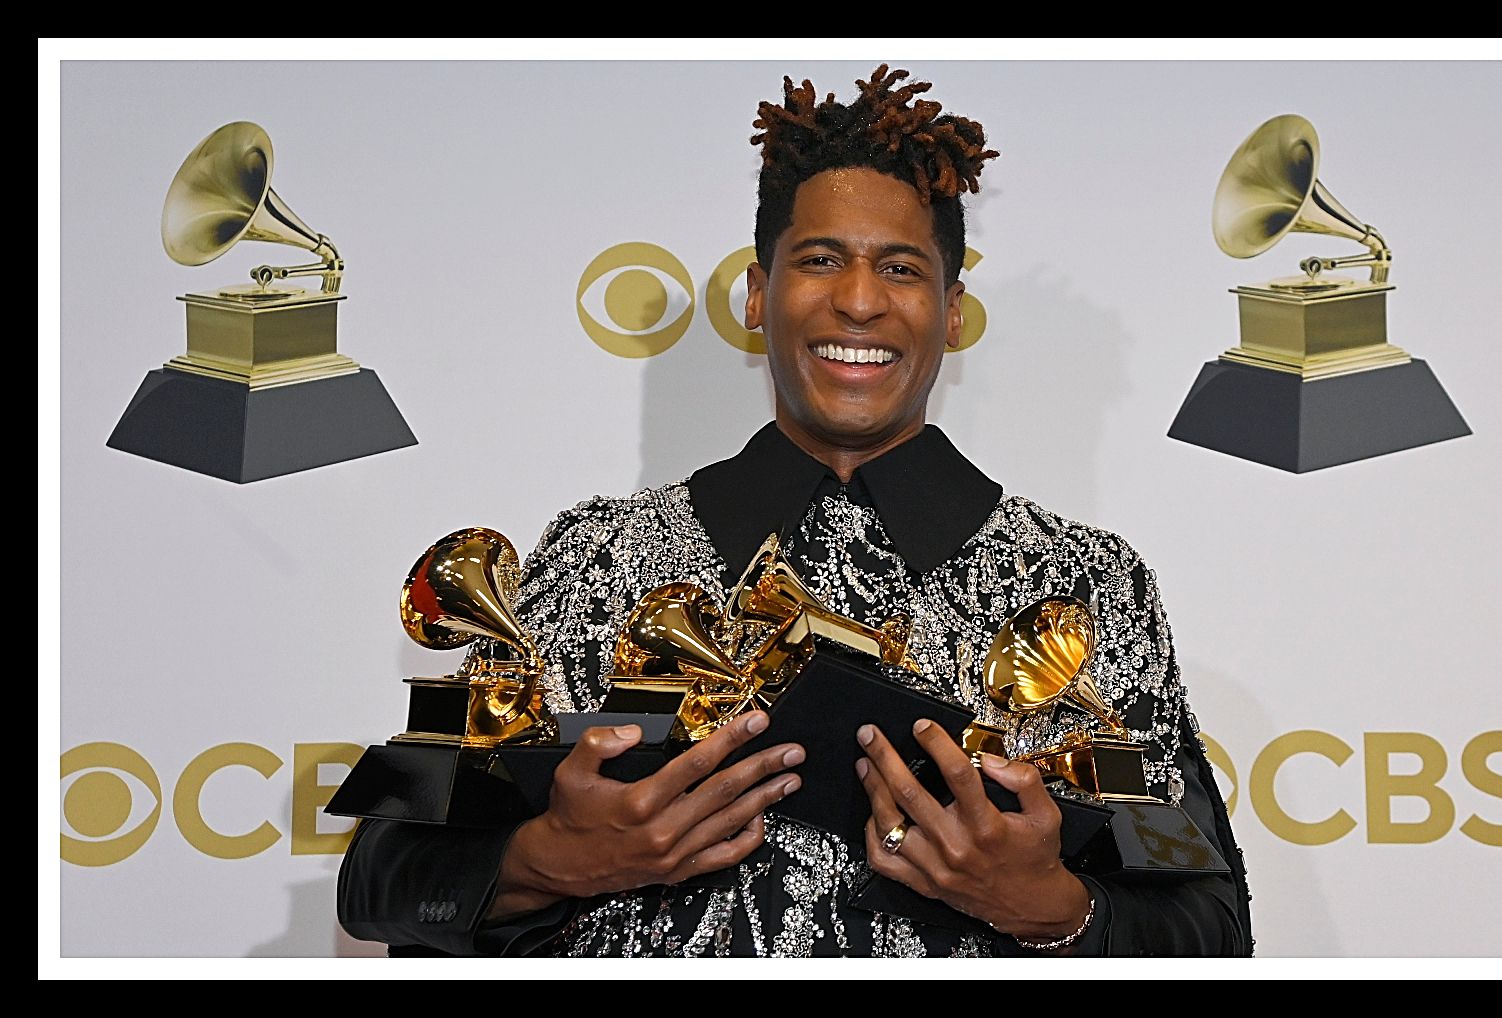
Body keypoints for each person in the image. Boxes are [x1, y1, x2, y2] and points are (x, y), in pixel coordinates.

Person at [337, 65, 1253, 957]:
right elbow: (377, 875)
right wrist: (550, 861)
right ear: (758, 294)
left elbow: (1210, 920)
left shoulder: (1085, 583)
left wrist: (1050, 906)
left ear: (953, 311)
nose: (858, 301)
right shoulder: (593, 553)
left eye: (901, 268)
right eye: (820, 260)